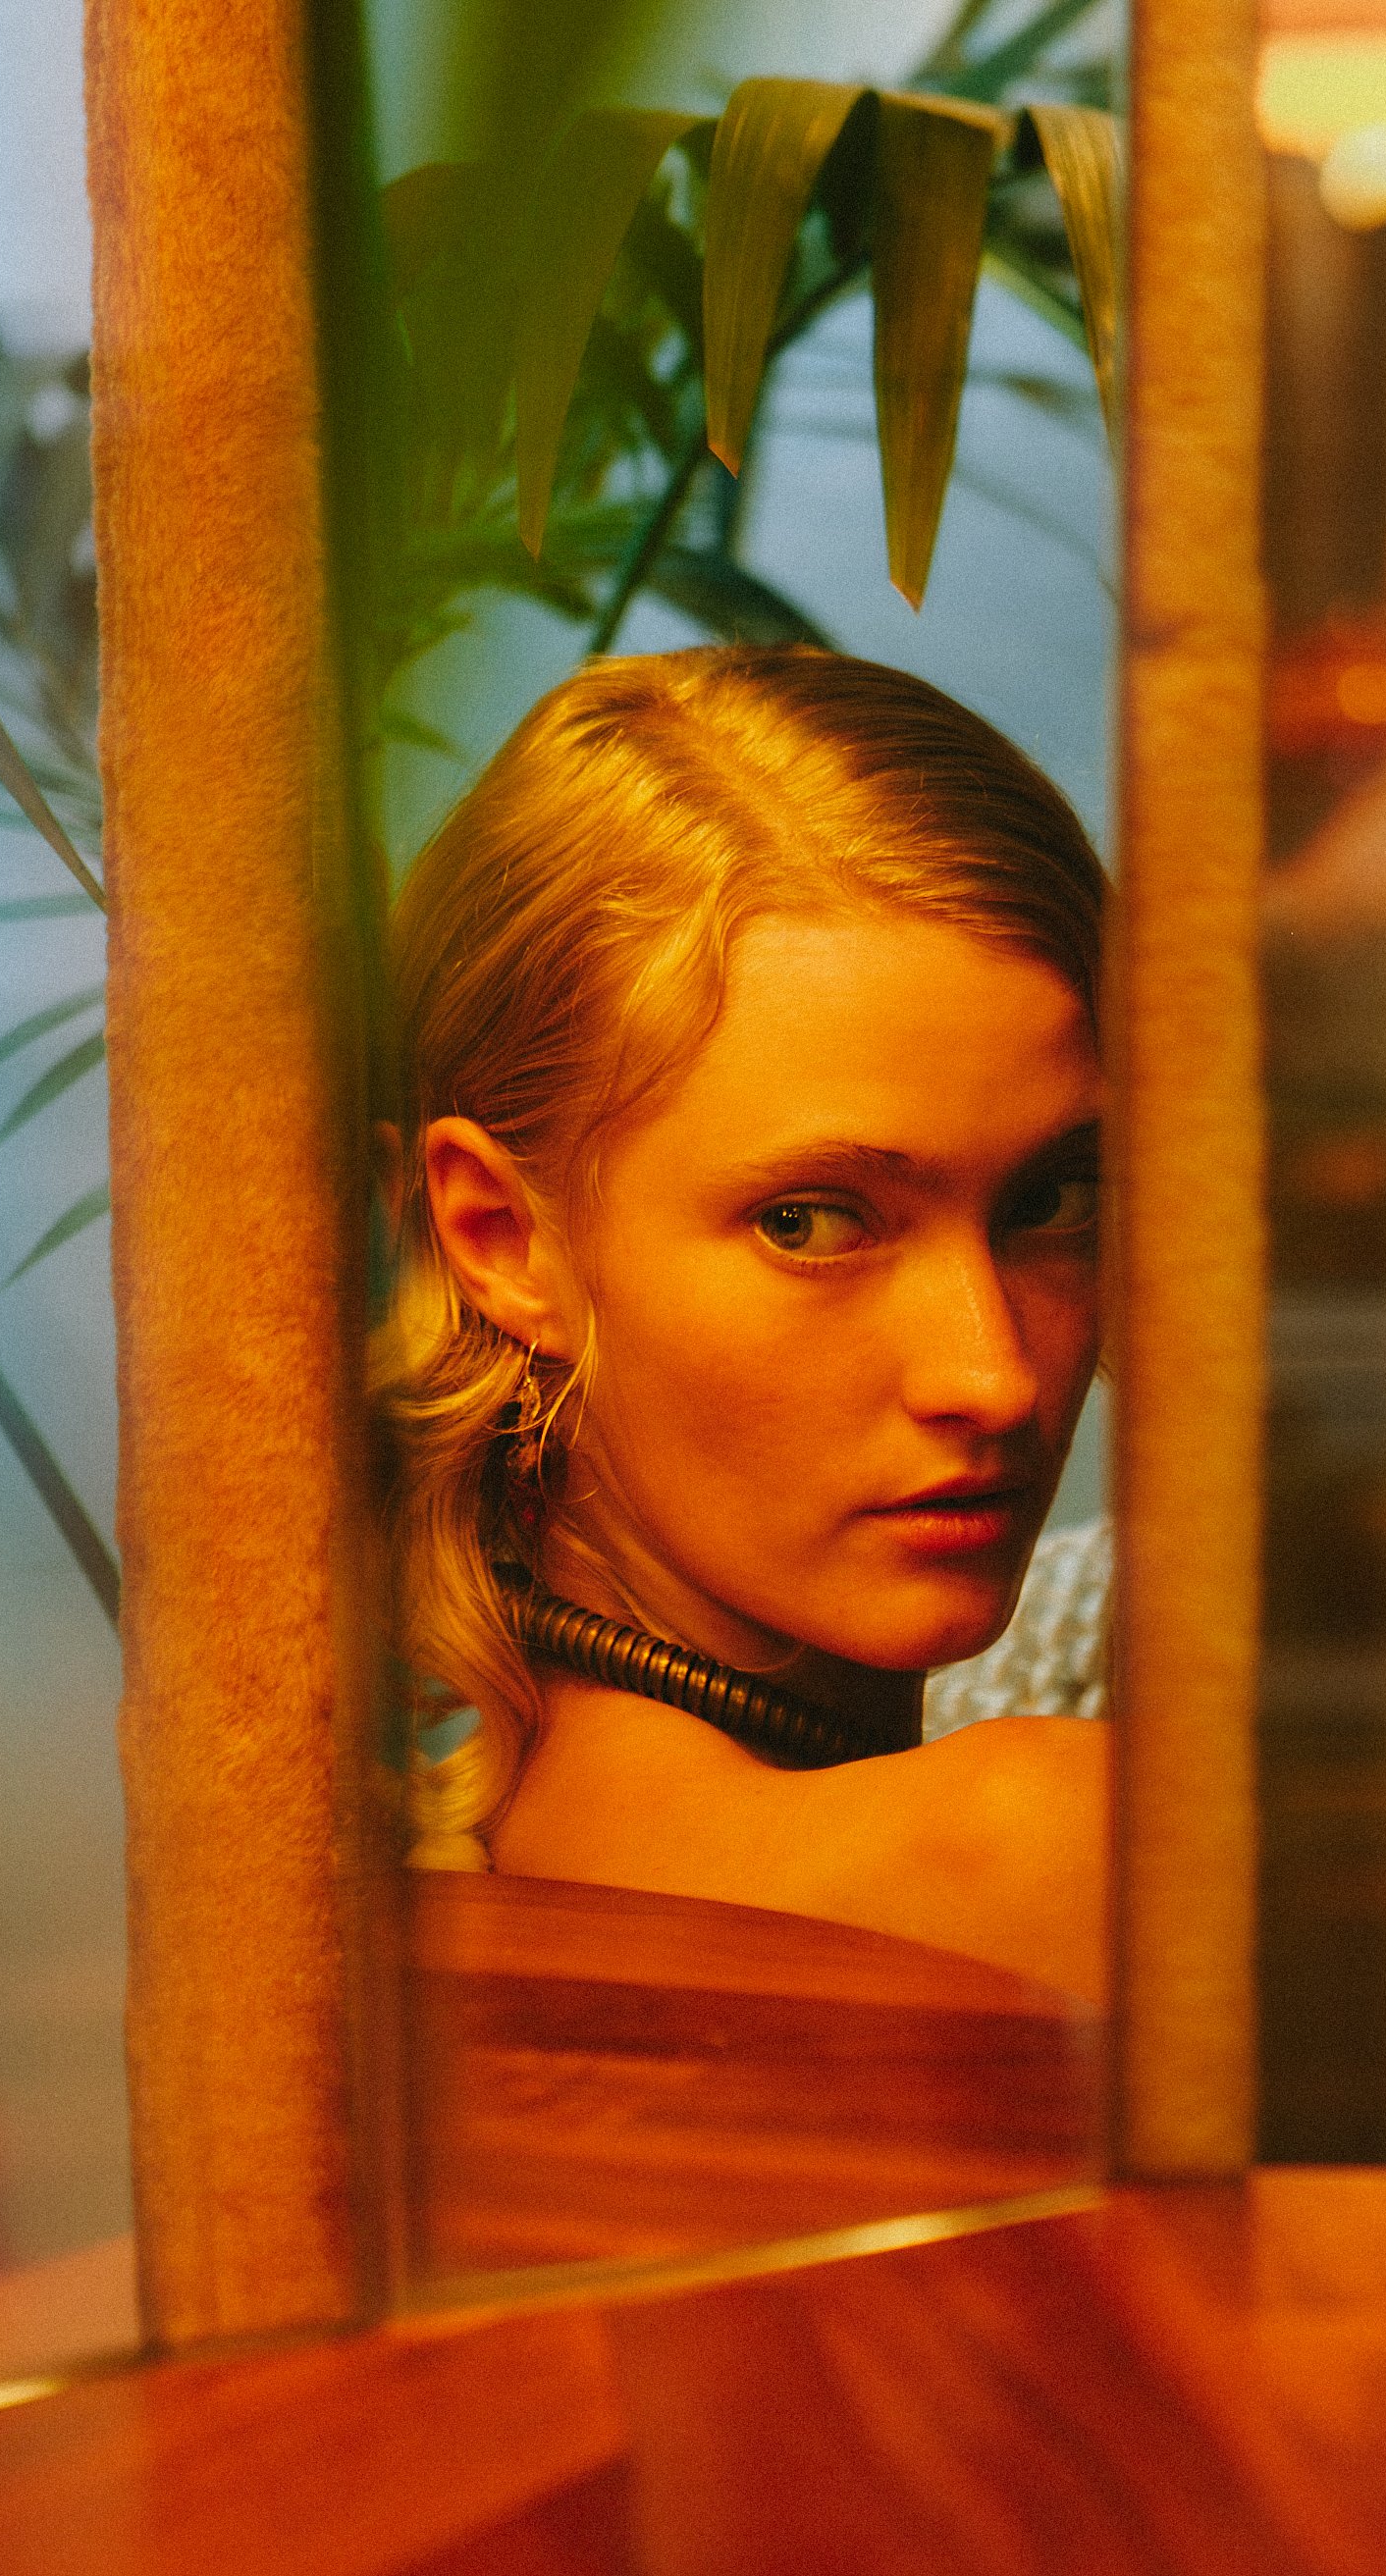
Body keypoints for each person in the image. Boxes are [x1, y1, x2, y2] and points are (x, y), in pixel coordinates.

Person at [374, 646, 1109, 2006]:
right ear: (499, 1236)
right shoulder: (1048, 1850)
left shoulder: (467, 1855)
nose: (994, 1374)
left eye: (1052, 1198)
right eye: (815, 1221)